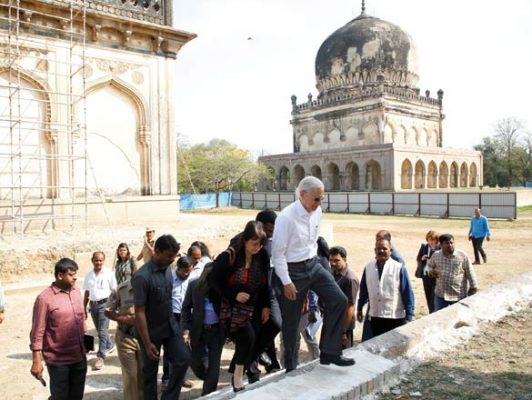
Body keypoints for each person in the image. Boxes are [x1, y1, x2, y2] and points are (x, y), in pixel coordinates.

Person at [272, 176, 352, 371]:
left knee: (339, 300)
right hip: (291, 272)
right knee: (291, 326)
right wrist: (287, 282)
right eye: (316, 199)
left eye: (321, 199)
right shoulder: (286, 218)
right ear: (302, 195)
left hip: (313, 265)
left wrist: (317, 265)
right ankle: (291, 368)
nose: (319, 203)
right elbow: (277, 254)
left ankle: (330, 353)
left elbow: (313, 242)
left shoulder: (317, 212)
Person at [207, 220, 271, 392]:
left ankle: (239, 366)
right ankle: (238, 375)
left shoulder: (262, 255)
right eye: (254, 244)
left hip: (253, 305)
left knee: (263, 332)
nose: (257, 248)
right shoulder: (229, 256)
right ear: (245, 240)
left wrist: (266, 305)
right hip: (229, 306)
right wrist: (233, 295)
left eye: (261, 244)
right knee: (248, 336)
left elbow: (265, 282)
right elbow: (213, 281)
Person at [133, 234, 190, 400]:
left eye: (173, 256)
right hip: (149, 332)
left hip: (170, 326)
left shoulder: (168, 269)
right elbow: (139, 312)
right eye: (168, 256)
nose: (172, 260)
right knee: (150, 375)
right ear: (156, 252)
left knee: (183, 359)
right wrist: (147, 342)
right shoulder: (142, 277)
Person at [30, 258, 87, 400]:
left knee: (76, 396)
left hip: (79, 358)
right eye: (71, 274)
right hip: (58, 361)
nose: (75, 277)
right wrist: (36, 361)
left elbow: (82, 322)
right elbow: (37, 331)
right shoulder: (45, 298)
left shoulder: (76, 292)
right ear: (60, 276)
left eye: (75, 274)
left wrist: (87, 348)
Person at [357, 239, 415, 337]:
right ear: (375, 250)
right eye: (378, 248)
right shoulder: (368, 267)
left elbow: (407, 293)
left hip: (394, 317)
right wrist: (359, 307)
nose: (381, 251)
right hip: (376, 317)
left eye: (385, 248)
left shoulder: (398, 268)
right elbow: (364, 290)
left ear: (391, 251)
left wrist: (409, 316)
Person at [181, 278, 225, 396]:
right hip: (198, 331)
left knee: (214, 369)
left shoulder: (222, 285)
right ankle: (208, 378)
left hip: (217, 331)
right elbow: (185, 308)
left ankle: (208, 395)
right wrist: (186, 330)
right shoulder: (194, 285)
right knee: (195, 362)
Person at [361, 230, 405, 341]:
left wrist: (409, 315)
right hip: (375, 305)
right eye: (377, 239)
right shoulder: (370, 265)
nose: (381, 249)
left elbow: (404, 290)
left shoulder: (397, 262)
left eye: (380, 239)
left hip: (391, 311)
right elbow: (364, 287)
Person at [104, 278, 144, 400]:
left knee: (144, 374)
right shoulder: (120, 289)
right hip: (126, 337)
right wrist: (125, 319)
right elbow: (107, 311)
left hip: (146, 339)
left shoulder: (151, 286)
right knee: (131, 376)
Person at [161, 256, 194, 389]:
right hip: (171, 317)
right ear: (178, 269)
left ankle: (181, 377)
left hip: (185, 317)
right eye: (184, 271)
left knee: (184, 349)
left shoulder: (191, 280)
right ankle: (167, 378)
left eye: (189, 271)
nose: (187, 274)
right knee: (169, 349)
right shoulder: (168, 278)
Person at [83, 251, 117, 370]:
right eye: (96, 260)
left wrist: (111, 306)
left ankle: (100, 356)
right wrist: (84, 308)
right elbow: (87, 292)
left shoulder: (108, 273)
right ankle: (109, 344)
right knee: (99, 330)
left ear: (104, 260)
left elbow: (114, 291)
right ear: (92, 260)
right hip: (93, 305)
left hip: (105, 305)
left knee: (102, 331)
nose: (98, 262)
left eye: (101, 260)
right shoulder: (88, 275)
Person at [427, 233, 479, 311]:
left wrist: (473, 287)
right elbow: (428, 266)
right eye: (447, 243)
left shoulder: (462, 255)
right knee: (440, 318)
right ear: (441, 245)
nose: (450, 245)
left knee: (458, 319)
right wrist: (431, 272)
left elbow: (470, 271)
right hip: (440, 295)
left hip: (458, 295)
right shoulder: (436, 255)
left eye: (451, 243)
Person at [329, 246, 359, 348]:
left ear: (344, 260)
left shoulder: (350, 279)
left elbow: (350, 306)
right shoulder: (332, 274)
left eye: (336, 260)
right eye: (331, 260)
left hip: (342, 326)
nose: (333, 263)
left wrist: (343, 331)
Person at [415, 230, 440, 313]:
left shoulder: (440, 247)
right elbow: (418, 258)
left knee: (435, 294)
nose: (432, 242)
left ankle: (434, 311)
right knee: (428, 294)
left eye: (434, 240)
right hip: (425, 274)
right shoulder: (424, 246)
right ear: (427, 239)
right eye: (430, 239)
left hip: (436, 275)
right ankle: (430, 311)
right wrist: (422, 258)